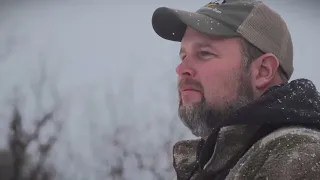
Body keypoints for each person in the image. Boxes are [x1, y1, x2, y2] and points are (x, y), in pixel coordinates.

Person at [151, 0, 320, 179]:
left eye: (205, 53)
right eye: (183, 55)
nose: (182, 68)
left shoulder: (299, 155)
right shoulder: (216, 164)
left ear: (263, 71)